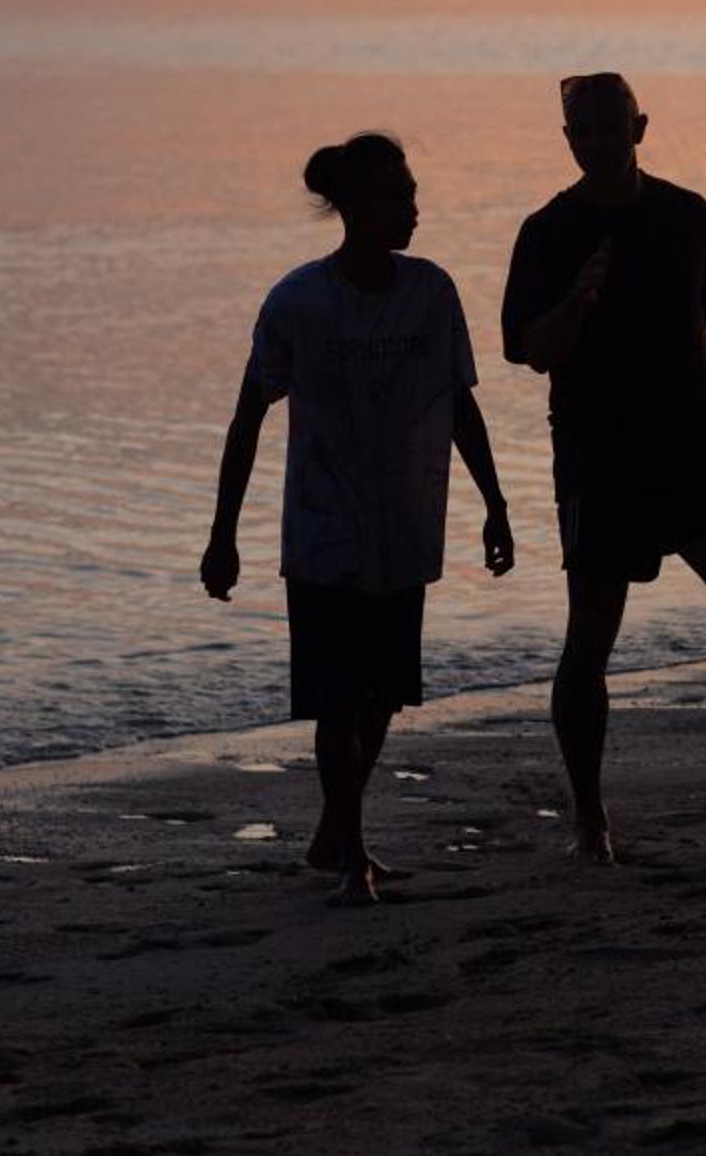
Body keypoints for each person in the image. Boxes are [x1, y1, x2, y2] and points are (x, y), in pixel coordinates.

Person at [201, 133, 513, 905]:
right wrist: (222, 536)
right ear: (352, 207)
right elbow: (248, 417)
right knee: (337, 699)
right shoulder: (298, 301)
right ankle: (352, 856)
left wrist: (497, 504)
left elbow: (457, 403)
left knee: (383, 696)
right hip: (322, 530)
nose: (413, 209)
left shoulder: (431, 291)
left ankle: (335, 833)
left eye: (412, 194)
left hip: (405, 526)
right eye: (396, 197)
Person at [501, 72, 706, 860]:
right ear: (567, 140)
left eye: (611, 126)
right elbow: (530, 351)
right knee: (590, 638)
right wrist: (578, 301)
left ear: (640, 127)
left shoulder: (689, 215)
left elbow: (700, 320)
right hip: (600, 457)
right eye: (583, 130)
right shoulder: (548, 231)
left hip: (695, 443)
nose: (597, 141)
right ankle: (590, 818)